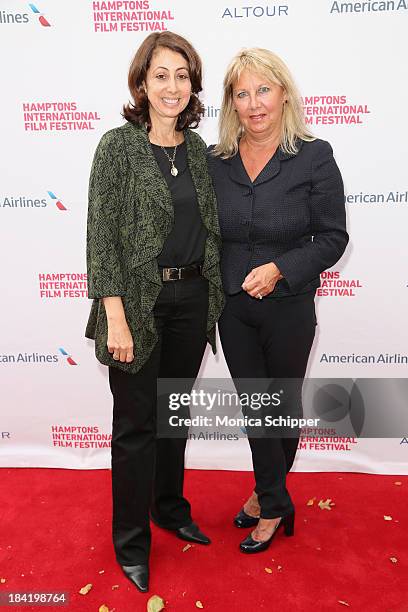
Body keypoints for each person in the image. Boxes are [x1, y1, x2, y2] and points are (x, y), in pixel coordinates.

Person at [85, 31, 224, 592]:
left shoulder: (198, 150)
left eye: (182, 75)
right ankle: (131, 541)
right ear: (141, 82)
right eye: (161, 74)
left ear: (193, 86)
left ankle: (169, 507)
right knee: (136, 425)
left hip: (192, 300)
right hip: (138, 306)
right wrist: (115, 315)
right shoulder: (116, 148)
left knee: (174, 415)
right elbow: (102, 238)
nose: (172, 86)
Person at [207, 48, 349, 553]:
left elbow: (333, 237)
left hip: (289, 304)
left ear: (283, 93)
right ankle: (272, 499)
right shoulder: (214, 161)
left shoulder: (313, 154)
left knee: (280, 407)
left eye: (263, 90)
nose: (254, 104)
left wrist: (281, 269)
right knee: (257, 408)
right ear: (231, 104)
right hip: (233, 306)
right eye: (242, 94)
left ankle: (267, 501)